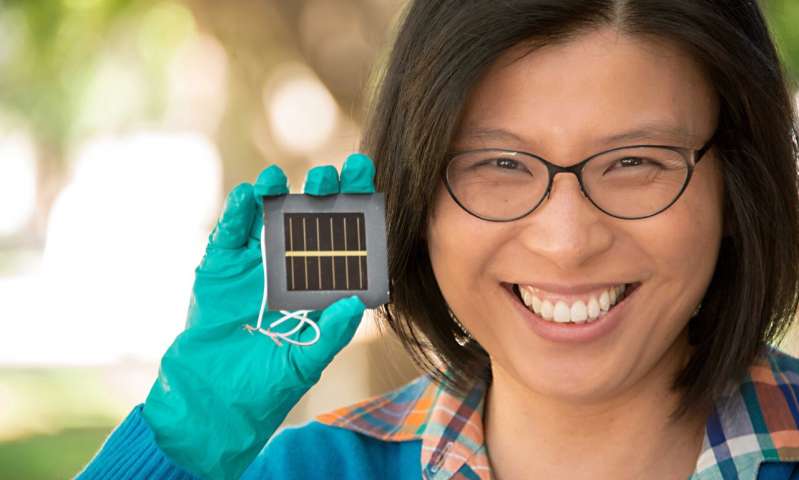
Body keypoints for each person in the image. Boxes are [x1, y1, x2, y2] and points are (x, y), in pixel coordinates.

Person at [78, 1, 799, 479]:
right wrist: (182, 441)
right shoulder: (315, 471)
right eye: (498, 165)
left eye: (636, 162)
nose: (566, 241)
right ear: (419, 200)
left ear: (734, 188)